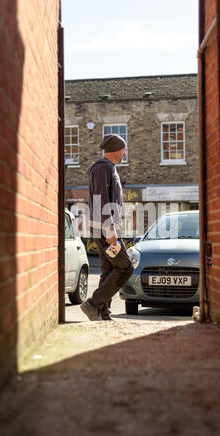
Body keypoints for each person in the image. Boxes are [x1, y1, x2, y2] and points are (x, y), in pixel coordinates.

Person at [80, 134, 134, 321]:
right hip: (104, 230)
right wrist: (109, 229)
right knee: (125, 267)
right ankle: (93, 304)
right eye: (123, 150)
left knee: (109, 269)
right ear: (117, 149)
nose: (124, 154)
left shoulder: (107, 168)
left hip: (103, 228)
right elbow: (101, 198)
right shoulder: (103, 168)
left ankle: (102, 311)